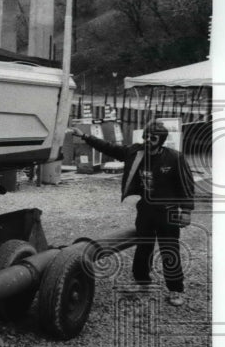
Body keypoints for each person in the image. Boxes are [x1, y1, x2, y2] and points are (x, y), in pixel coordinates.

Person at [69, 120, 195, 305]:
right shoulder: (136, 152)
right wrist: (85, 136)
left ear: (161, 140)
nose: (148, 140)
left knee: (169, 250)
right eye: (146, 136)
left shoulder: (174, 158)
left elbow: (187, 184)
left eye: (153, 138)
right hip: (146, 209)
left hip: (167, 212)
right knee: (143, 247)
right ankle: (142, 282)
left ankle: (176, 290)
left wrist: (186, 210)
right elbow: (109, 147)